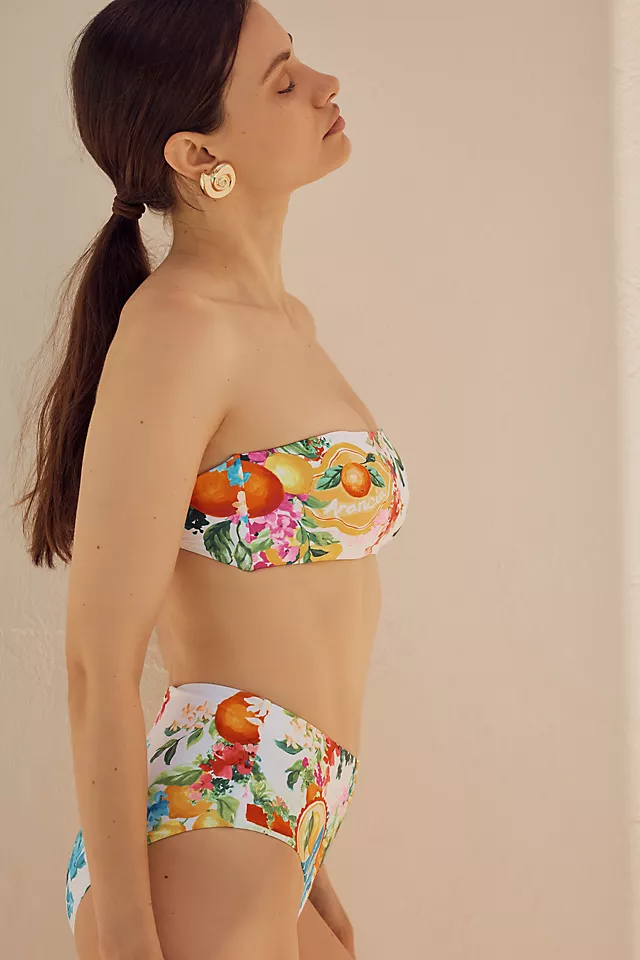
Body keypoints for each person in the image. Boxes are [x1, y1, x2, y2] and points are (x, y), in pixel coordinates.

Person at [13, 1, 410, 958]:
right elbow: (98, 661)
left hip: (281, 811)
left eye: (298, 60)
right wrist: (128, 934)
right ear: (197, 155)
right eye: (282, 82)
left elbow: (286, 623)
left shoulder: (286, 323)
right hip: (211, 831)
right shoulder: (178, 329)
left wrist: (310, 855)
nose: (324, 85)